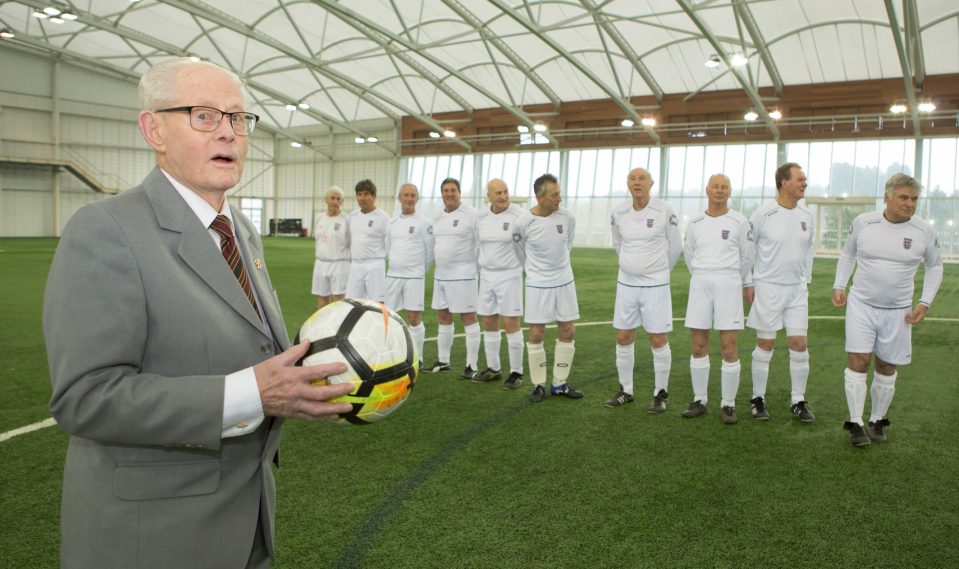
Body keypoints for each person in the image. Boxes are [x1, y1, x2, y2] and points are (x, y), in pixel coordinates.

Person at [42, 58, 354, 569]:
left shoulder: (240, 231)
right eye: (205, 116)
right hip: (154, 538)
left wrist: (306, 382)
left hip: (245, 518)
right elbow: (85, 397)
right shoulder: (106, 229)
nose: (228, 133)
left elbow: (248, 350)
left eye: (238, 118)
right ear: (154, 129)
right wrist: (252, 393)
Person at [832, 173, 943, 447]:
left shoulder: (924, 231)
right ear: (887, 197)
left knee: (886, 365)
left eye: (914, 199)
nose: (910, 204)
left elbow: (935, 266)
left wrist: (924, 302)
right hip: (861, 305)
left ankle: (877, 419)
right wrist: (839, 285)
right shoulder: (864, 223)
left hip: (898, 310)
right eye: (904, 197)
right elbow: (848, 254)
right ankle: (856, 422)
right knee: (858, 361)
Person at [744, 163, 816, 422]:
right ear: (784, 182)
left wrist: (805, 280)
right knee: (766, 344)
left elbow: (809, 250)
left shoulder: (807, 216)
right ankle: (757, 399)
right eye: (800, 179)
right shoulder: (763, 213)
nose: (804, 183)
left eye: (805, 180)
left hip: (797, 291)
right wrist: (748, 281)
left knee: (799, 345)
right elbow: (748, 251)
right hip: (768, 287)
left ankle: (798, 401)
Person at [605, 167, 681, 412]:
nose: (637, 183)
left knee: (658, 339)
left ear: (651, 183)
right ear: (627, 183)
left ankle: (660, 394)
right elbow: (618, 243)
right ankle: (626, 390)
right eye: (632, 179)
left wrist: (658, 273)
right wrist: (631, 267)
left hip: (655, 286)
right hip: (626, 285)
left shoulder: (664, 209)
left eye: (642, 179)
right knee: (623, 337)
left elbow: (675, 246)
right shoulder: (619, 211)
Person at [681, 173, 754, 424]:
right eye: (715, 186)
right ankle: (699, 400)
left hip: (728, 284)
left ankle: (728, 404)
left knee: (729, 347)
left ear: (730, 192)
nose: (720, 190)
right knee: (699, 345)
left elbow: (747, 257)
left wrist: (731, 277)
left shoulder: (739, 221)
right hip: (700, 283)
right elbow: (689, 255)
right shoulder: (695, 222)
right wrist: (704, 274)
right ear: (707, 190)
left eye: (724, 187)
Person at [513, 173, 584, 403]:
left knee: (568, 331)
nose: (559, 199)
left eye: (559, 194)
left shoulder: (568, 217)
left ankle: (559, 384)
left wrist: (558, 269)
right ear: (539, 197)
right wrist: (535, 272)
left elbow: (568, 244)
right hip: (537, 284)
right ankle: (538, 385)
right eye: (554, 195)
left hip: (564, 281)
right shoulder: (524, 222)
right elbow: (519, 251)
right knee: (536, 334)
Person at [426, 177, 482, 379]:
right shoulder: (437, 216)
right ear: (441, 194)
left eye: (453, 190)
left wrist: (478, 271)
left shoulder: (471, 214)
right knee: (443, 317)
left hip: (464, 276)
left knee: (468, 318)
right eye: (445, 190)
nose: (449, 194)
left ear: (459, 193)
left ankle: (471, 365)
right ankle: (443, 361)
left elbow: (480, 243)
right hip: (441, 276)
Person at [474, 178, 526, 389]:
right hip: (487, 276)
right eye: (498, 193)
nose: (503, 196)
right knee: (488, 322)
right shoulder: (481, 216)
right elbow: (478, 244)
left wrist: (521, 268)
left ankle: (516, 372)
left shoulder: (519, 216)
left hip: (509, 275)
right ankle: (494, 368)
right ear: (489, 196)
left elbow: (526, 245)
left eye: (505, 191)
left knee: (511, 323)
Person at [385, 183, 434, 366]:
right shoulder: (392, 223)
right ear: (399, 198)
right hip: (393, 276)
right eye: (406, 195)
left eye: (413, 195)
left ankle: (417, 358)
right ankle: (394, 355)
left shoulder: (425, 222)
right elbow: (388, 248)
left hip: (414, 277)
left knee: (414, 318)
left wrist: (419, 271)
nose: (409, 198)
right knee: (390, 318)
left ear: (417, 198)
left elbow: (430, 253)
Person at [346, 179, 390, 302]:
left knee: (377, 304)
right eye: (359, 194)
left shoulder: (383, 217)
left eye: (366, 194)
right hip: (355, 265)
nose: (362, 198)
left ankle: (379, 322)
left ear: (374, 196)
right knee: (352, 303)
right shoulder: (353, 216)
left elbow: (389, 244)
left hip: (375, 265)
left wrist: (378, 259)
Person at [311, 186, 351, 310]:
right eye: (332, 198)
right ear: (326, 200)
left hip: (339, 264)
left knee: (339, 300)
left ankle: (340, 328)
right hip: (320, 263)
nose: (335, 201)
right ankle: (323, 328)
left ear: (342, 202)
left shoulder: (347, 220)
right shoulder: (319, 218)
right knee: (321, 299)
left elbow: (351, 244)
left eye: (338, 199)